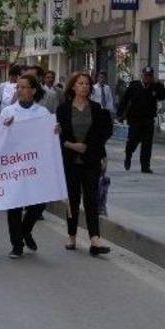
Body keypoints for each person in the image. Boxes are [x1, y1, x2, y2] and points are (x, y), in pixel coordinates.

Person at [56, 72, 113, 256]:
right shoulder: (63, 109)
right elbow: (58, 135)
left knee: (91, 199)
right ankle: (71, 235)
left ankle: (95, 239)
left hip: (91, 160)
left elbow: (102, 133)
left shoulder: (96, 108)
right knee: (72, 200)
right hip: (71, 160)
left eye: (87, 84)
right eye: (80, 83)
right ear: (73, 86)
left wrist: (93, 150)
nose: (85, 86)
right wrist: (73, 145)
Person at [0, 74, 54, 258]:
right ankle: (16, 244)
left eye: (24, 87)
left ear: (33, 90)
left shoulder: (43, 113)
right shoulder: (8, 112)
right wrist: (5, 128)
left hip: (35, 166)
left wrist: (55, 132)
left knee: (38, 204)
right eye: (18, 87)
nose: (20, 91)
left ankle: (25, 229)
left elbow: (48, 140)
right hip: (14, 166)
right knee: (14, 206)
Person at [117, 66, 165, 173]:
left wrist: (161, 85)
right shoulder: (134, 86)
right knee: (133, 141)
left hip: (148, 119)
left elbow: (163, 96)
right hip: (135, 119)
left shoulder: (155, 86)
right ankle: (128, 155)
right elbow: (125, 100)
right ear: (142, 75)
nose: (147, 78)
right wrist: (120, 114)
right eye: (145, 75)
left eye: (149, 76)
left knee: (147, 144)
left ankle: (145, 166)